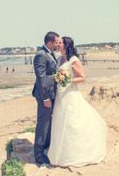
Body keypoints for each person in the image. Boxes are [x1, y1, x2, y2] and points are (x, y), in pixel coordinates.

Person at [47, 36, 107, 167]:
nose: (58, 44)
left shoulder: (74, 60)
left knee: (72, 122)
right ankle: (59, 154)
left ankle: (76, 153)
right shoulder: (59, 59)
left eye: (61, 43)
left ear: (66, 45)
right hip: (60, 95)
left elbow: (82, 78)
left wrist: (67, 81)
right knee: (60, 121)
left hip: (70, 93)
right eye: (58, 42)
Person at [32, 31, 61, 165]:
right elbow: (41, 78)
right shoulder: (40, 55)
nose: (57, 45)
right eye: (56, 42)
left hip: (52, 93)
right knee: (43, 123)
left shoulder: (51, 54)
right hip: (45, 95)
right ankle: (38, 155)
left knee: (48, 122)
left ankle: (45, 148)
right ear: (49, 42)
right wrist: (45, 98)